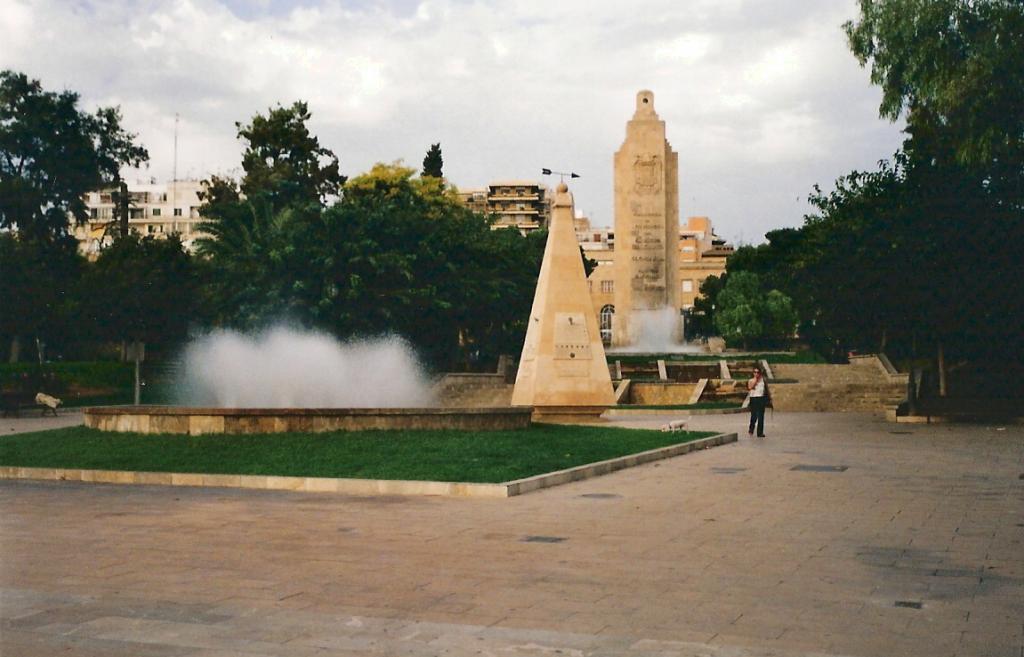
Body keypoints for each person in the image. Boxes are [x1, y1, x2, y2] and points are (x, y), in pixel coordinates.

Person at [746, 366, 771, 437]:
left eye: (758, 372)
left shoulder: (763, 380)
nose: (756, 374)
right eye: (755, 372)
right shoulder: (751, 380)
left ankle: (760, 432)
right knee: (754, 416)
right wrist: (756, 381)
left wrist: (769, 398)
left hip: (761, 398)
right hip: (754, 398)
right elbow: (750, 387)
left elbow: (766, 389)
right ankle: (751, 429)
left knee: (761, 416)